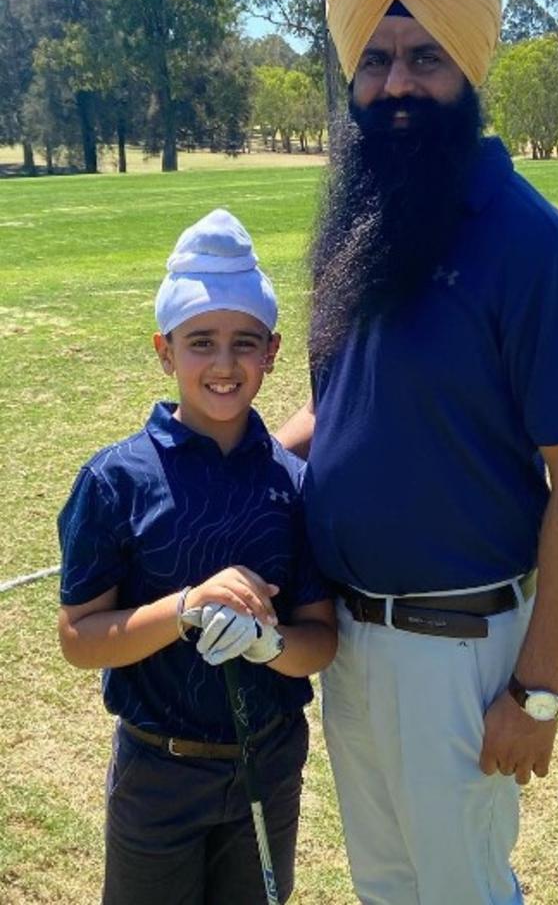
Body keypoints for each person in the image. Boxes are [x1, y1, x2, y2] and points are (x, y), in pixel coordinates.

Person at [277, 0, 558, 905]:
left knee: (460, 889)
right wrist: (235, 463)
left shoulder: (529, 247)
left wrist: (535, 689)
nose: (393, 85)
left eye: (423, 57)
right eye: (375, 59)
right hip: (346, 637)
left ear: (468, 66)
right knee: (385, 884)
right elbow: (335, 406)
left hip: (458, 660)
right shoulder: (368, 226)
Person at [57, 207, 337, 905]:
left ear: (271, 353)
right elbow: (79, 639)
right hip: (158, 773)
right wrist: (186, 608)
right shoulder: (115, 480)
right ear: (164, 349)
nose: (223, 364)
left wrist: (267, 643)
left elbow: (321, 641)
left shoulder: (294, 484)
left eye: (245, 344)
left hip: (267, 764)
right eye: (200, 342)